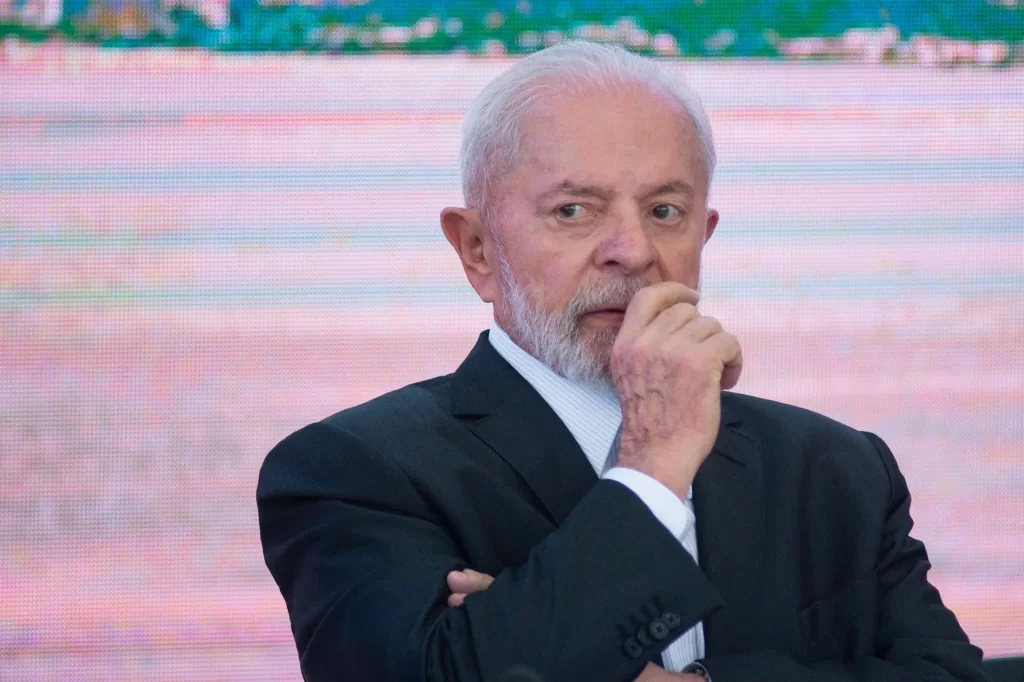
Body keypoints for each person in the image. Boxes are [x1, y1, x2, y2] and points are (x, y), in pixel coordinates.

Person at [257, 41, 989, 682]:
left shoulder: (837, 469)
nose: (632, 251)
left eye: (665, 212)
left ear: (705, 235)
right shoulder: (353, 471)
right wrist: (653, 466)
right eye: (573, 211)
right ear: (476, 250)